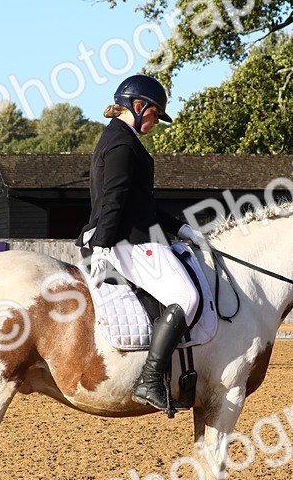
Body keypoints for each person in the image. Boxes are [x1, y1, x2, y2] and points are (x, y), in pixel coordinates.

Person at [77, 75, 207, 413]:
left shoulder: (122, 138)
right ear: (138, 107)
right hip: (128, 243)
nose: (155, 122)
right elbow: (113, 200)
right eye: (153, 115)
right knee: (188, 297)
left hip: (129, 237)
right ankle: (149, 379)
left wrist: (182, 229)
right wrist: (103, 246)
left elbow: (141, 204)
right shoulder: (122, 144)